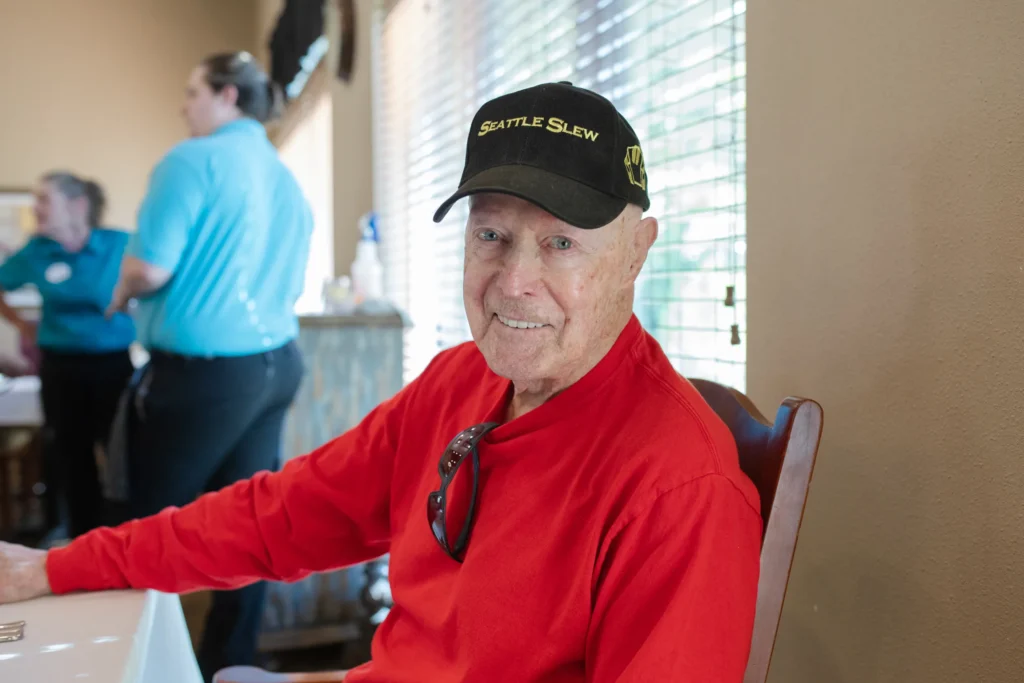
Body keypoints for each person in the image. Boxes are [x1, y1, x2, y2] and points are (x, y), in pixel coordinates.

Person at [0, 82, 761, 682]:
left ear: (636, 252)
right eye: (490, 235)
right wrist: (57, 566)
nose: (513, 283)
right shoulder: (458, 381)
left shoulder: (680, 488)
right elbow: (279, 517)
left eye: (562, 244)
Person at [99, 51, 311, 679]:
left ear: (225, 97)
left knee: (145, 522)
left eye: (192, 93)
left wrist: (119, 293)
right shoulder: (285, 177)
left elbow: (148, 268)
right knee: (250, 522)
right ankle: (230, 663)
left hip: (205, 374)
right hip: (274, 367)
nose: (183, 106)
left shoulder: (191, 159)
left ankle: (132, 666)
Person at [0, 172, 135, 539]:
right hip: (61, 368)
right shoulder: (37, 252)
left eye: (44, 199)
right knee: (70, 455)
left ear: (77, 205)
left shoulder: (118, 244)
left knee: (121, 453)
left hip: (113, 367)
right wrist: (21, 324)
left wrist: (134, 306)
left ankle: (127, 535)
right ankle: (82, 536)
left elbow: (156, 280)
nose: (36, 208)